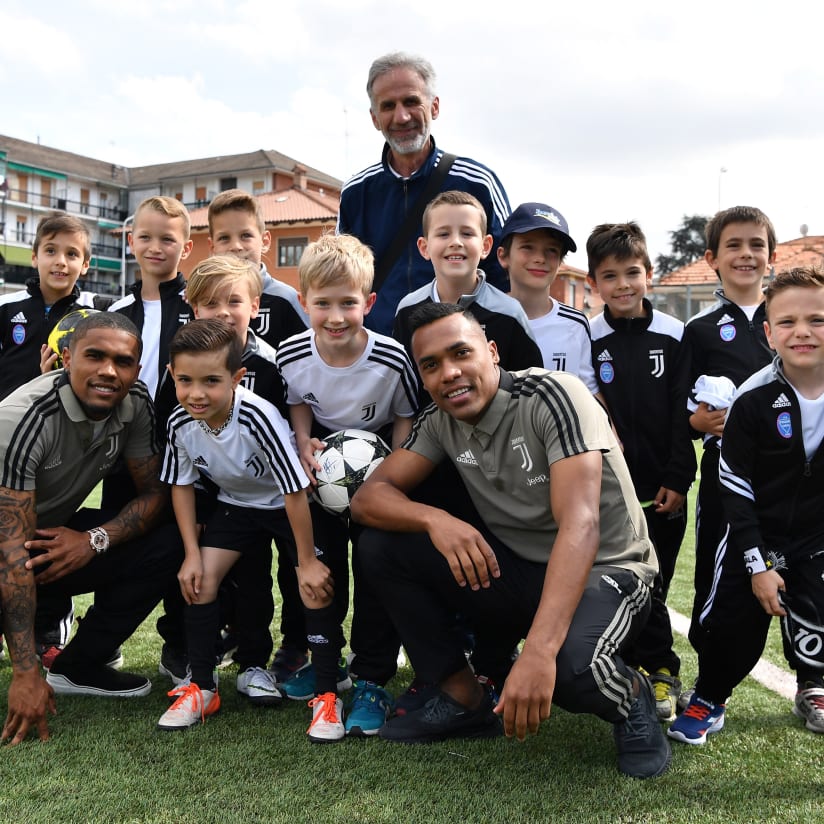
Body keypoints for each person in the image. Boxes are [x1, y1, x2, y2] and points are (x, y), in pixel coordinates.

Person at [351, 303, 670, 779]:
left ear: (492, 352)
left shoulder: (553, 394)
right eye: (431, 365)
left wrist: (539, 652)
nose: (450, 373)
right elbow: (369, 497)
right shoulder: (439, 422)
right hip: (526, 571)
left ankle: (633, 701)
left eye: (461, 353)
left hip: (610, 568)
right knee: (381, 545)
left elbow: (580, 526)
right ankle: (463, 695)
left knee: (570, 669)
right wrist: (435, 520)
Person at [0, 312, 182, 743]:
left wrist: (93, 540)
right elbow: (9, 557)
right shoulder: (21, 419)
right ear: (66, 358)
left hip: (42, 543)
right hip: (9, 553)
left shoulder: (135, 401)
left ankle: (79, 666)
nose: (108, 371)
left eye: (122, 361)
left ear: (137, 369)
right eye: (94, 356)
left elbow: (155, 494)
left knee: (169, 540)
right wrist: (26, 673)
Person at [670, 267, 824, 743]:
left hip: (816, 534)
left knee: (818, 608)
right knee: (733, 622)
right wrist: (758, 562)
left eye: (817, 320)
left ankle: (814, 685)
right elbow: (734, 483)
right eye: (788, 322)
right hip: (755, 533)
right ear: (769, 333)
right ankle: (710, 696)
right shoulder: (752, 396)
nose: (803, 331)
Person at [275, 234, 418, 741]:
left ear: (369, 303)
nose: (335, 317)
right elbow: (297, 404)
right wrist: (303, 439)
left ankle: (373, 678)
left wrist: (392, 479)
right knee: (321, 572)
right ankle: (325, 667)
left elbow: (405, 418)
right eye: (323, 304)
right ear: (303, 301)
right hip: (320, 482)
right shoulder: (290, 354)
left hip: (377, 479)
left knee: (377, 571)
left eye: (348, 304)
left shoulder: (393, 358)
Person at [158, 319, 324, 730]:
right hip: (236, 506)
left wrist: (306, 560)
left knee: (314, 585)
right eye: (185, 380)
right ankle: (202, 689)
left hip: (284, 505)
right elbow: (181, 486)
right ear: (171, 375)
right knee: (199, 582)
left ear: (237, 378)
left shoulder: (258, 416)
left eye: (211, 381)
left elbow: (293, 491)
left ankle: (327, 693)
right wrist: (192, 555)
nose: (197, 393)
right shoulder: (178, 422)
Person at [587, 222, 696, 721]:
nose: (624, 285)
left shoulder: (675, 335)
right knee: (625, 581)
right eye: (611, 276)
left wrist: (678, 478)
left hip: (663, 487)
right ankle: (639, 665)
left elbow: (683, 415)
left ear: (649, 274)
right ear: (594, 284)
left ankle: (660, 670)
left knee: (657, 581)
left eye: (633, 273)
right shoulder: (589, 335)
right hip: (612, 492)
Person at [674, 206, 776, 721]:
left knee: (806, 574)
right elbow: (680, 408)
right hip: (725, 477)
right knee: (724, 577)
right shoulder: (701, 329)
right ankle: (712, 680)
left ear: (771, 256)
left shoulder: (792, 318)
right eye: (734, 245)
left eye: (756, 244)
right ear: (712, 258)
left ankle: (814, 679)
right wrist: (699, 423)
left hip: (796, 479)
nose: (746, 254)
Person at [207, 188, 310, 683]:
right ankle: (242, 642)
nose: (235, 245)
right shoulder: (209, 302)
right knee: (245, 568)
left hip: (282, 466)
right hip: (231, 469)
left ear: (264, 241)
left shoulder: (285, 301)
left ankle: (296, 645)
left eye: (244, 235)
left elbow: (299, 373)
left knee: (296, 567)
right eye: (223, 237)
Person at [338, 51, 511, 336]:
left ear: (434, 107)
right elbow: (343, 279)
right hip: (382, 355)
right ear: (374, 118)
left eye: (411, 101)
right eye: (388, 106)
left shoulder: (479, 182)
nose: (401, 116)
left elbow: (506, 273)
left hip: (459, 355)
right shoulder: (356, 191)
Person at [185, 255, 294, 703]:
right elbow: (177, 438)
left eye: (234, 300)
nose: (223, 311)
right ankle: (199, 664)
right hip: (221, 497)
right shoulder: (186, 362)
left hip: (276, 497)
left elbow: (290, 428)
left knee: (268, 580)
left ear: (255, 305)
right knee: (215, 578)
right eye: (210, 303)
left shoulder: (273, 366)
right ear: (194, 310)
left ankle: (262, 661)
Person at [109, 195, 194, 683]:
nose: (156, 246)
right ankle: (103, 643)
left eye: (168, 238)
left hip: (186, 453)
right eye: (146, 237)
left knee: (182, 547)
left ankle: (180, 645)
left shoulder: (199, 304)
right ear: (131, 241)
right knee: (120, 539)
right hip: (126, 455)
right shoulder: (118, 310)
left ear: (186, 244)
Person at [394, 191, 541, 390]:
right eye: (443, 234)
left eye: (467, 233)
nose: (456, 242)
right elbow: (403, 386)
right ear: (424, 247)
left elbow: (529, 389)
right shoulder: (407, 309)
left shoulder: (509, 312)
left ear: (485, 245)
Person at [500, 202, 599, 394]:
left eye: (552, 250)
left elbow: (589, 394)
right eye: (527, 247)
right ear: (503, 256)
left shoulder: (576, 324)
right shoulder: (481, 318)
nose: (540, 258)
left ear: (560, 262)